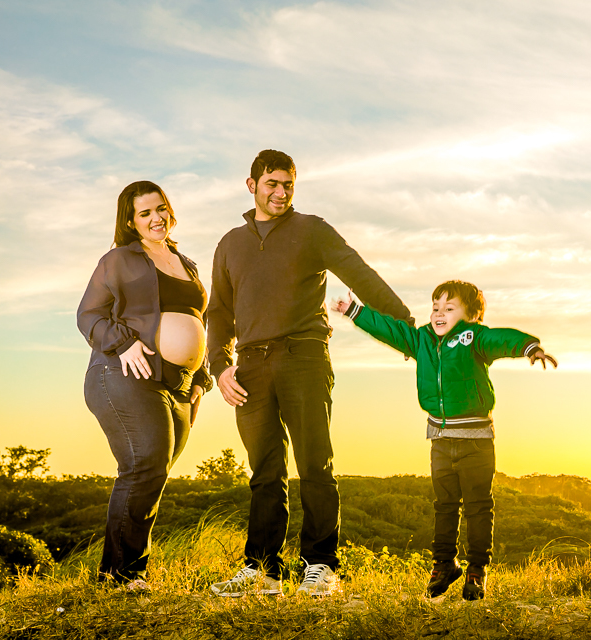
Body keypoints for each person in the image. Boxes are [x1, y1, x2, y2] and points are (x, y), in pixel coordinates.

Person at [207, 149, 413, 597]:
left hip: (304, 356)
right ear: (252, 186)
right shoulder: (229, 244)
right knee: (264, 471)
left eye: (288, 185)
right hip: (251, 365)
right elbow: (218, 313)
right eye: (272, 184)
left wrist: (405, 327)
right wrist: (219, 366)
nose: (280, 192)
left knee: (314, 464)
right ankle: (262, 570)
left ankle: (320, 566)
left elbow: (361, 274)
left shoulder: (312, 230)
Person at [332, 280, 557, 600]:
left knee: (479, 507)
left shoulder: (473, 337)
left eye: (449, 309)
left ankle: (477, 569)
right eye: (435, 307)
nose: (439, 314)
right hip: (440, 439)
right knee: (445, 506)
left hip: (476, 442)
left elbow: (501, 338)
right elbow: (392, 330)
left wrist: (529, 347)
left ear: (471, 315)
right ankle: (444, 564)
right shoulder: (421, 339)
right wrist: (355, 311)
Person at [77, 181, 212, 589]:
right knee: (144, 465)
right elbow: (88, 315)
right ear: (131, 222)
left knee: (155, 473)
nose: (157, 218)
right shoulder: (118, 259)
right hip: (124, 374)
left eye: (162, 209)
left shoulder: (185, 262)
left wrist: (200, 378)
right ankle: (120, 577)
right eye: (145, 213)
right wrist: (123, 344)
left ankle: (120, 573)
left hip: (179, 383)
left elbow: (198, 320)